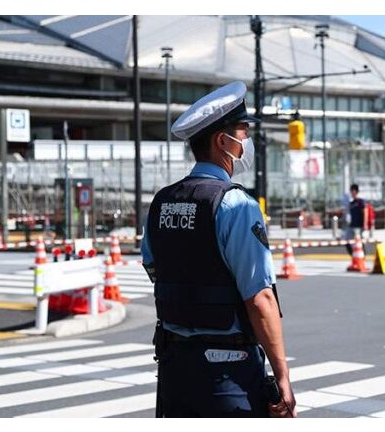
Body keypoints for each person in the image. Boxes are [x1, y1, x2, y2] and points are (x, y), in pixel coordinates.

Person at [142, 81, 296, 418]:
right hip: (228, 377)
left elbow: (155, 269)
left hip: (175, 372)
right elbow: (260, 298)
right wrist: (282, 376)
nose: (246, 142)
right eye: (242, 133)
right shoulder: (235, 205)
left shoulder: (162, 202)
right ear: (221, 141)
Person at [344, 184, 368, 256]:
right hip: (352, 225)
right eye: (351, 191)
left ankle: (363, 256)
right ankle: (354, 255)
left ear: (356, 191)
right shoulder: (351, 203)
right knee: (346, 240)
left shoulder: (361, 202)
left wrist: (365, 224)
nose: (352, 193)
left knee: (360, 242)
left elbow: (365, 213)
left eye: (353, 191)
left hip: (359, 225)